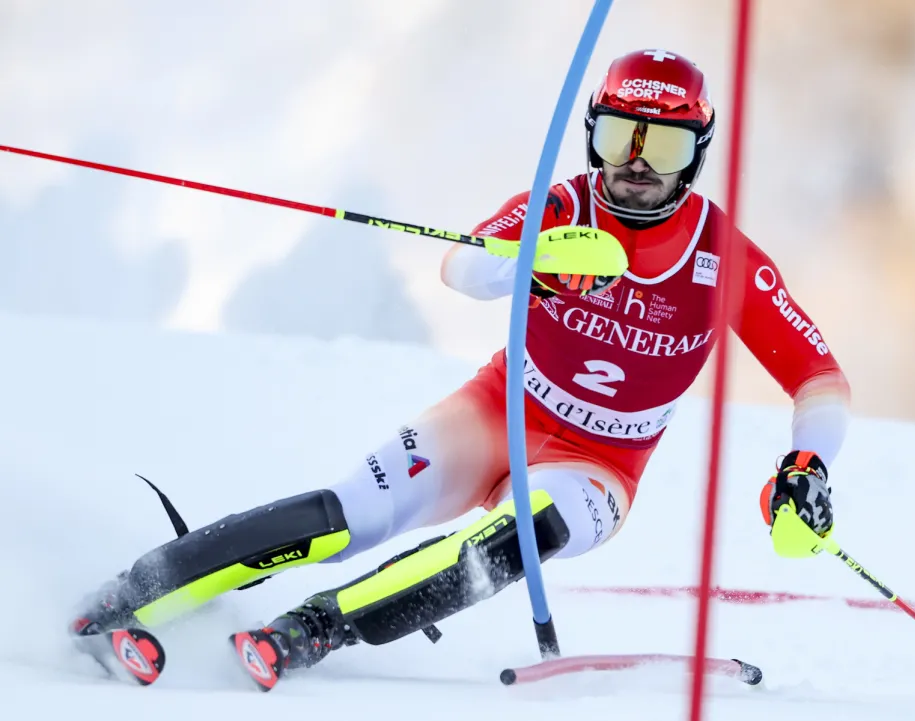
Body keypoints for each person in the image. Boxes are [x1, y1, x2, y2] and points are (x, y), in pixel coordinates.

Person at [72, 48, 850, 691]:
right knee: (350, 514)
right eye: (620, 138)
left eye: (665, 147)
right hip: (499, 410)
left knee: (523, 532)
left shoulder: (724, 261)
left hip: (600, 465)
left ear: (697, 157)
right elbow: (463, 265)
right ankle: (129, 594)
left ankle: (310, 629)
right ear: (591, 136)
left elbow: (817, 375)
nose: (636, 165)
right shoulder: (558, 206)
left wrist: (807, 461)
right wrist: (534, 268)